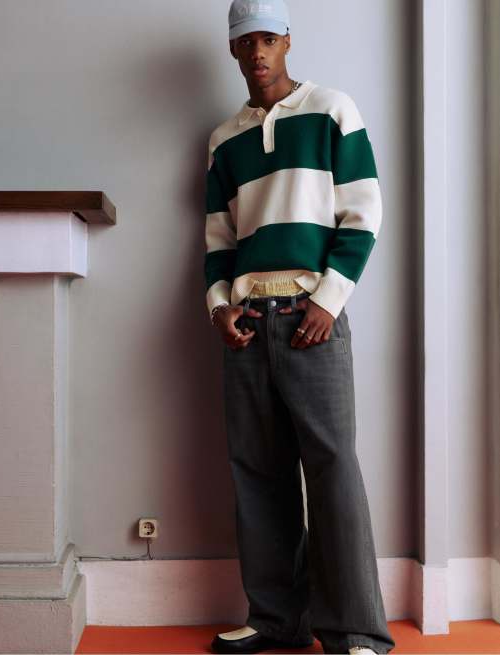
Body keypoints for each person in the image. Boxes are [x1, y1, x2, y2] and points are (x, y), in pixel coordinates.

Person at [203, 1, 396, 653]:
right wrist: (219, 307)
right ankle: (275, 617)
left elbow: (363, 214)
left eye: (267, 38)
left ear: (287, 41)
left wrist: (329, 300)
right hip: (246, 322)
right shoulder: (223, 140)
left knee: (332, 468)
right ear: (232, 50)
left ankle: (355, 630)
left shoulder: (332, 109)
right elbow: (218, 239)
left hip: (310, 316)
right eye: (245, 41)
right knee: (257, 471)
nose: (256, 51)